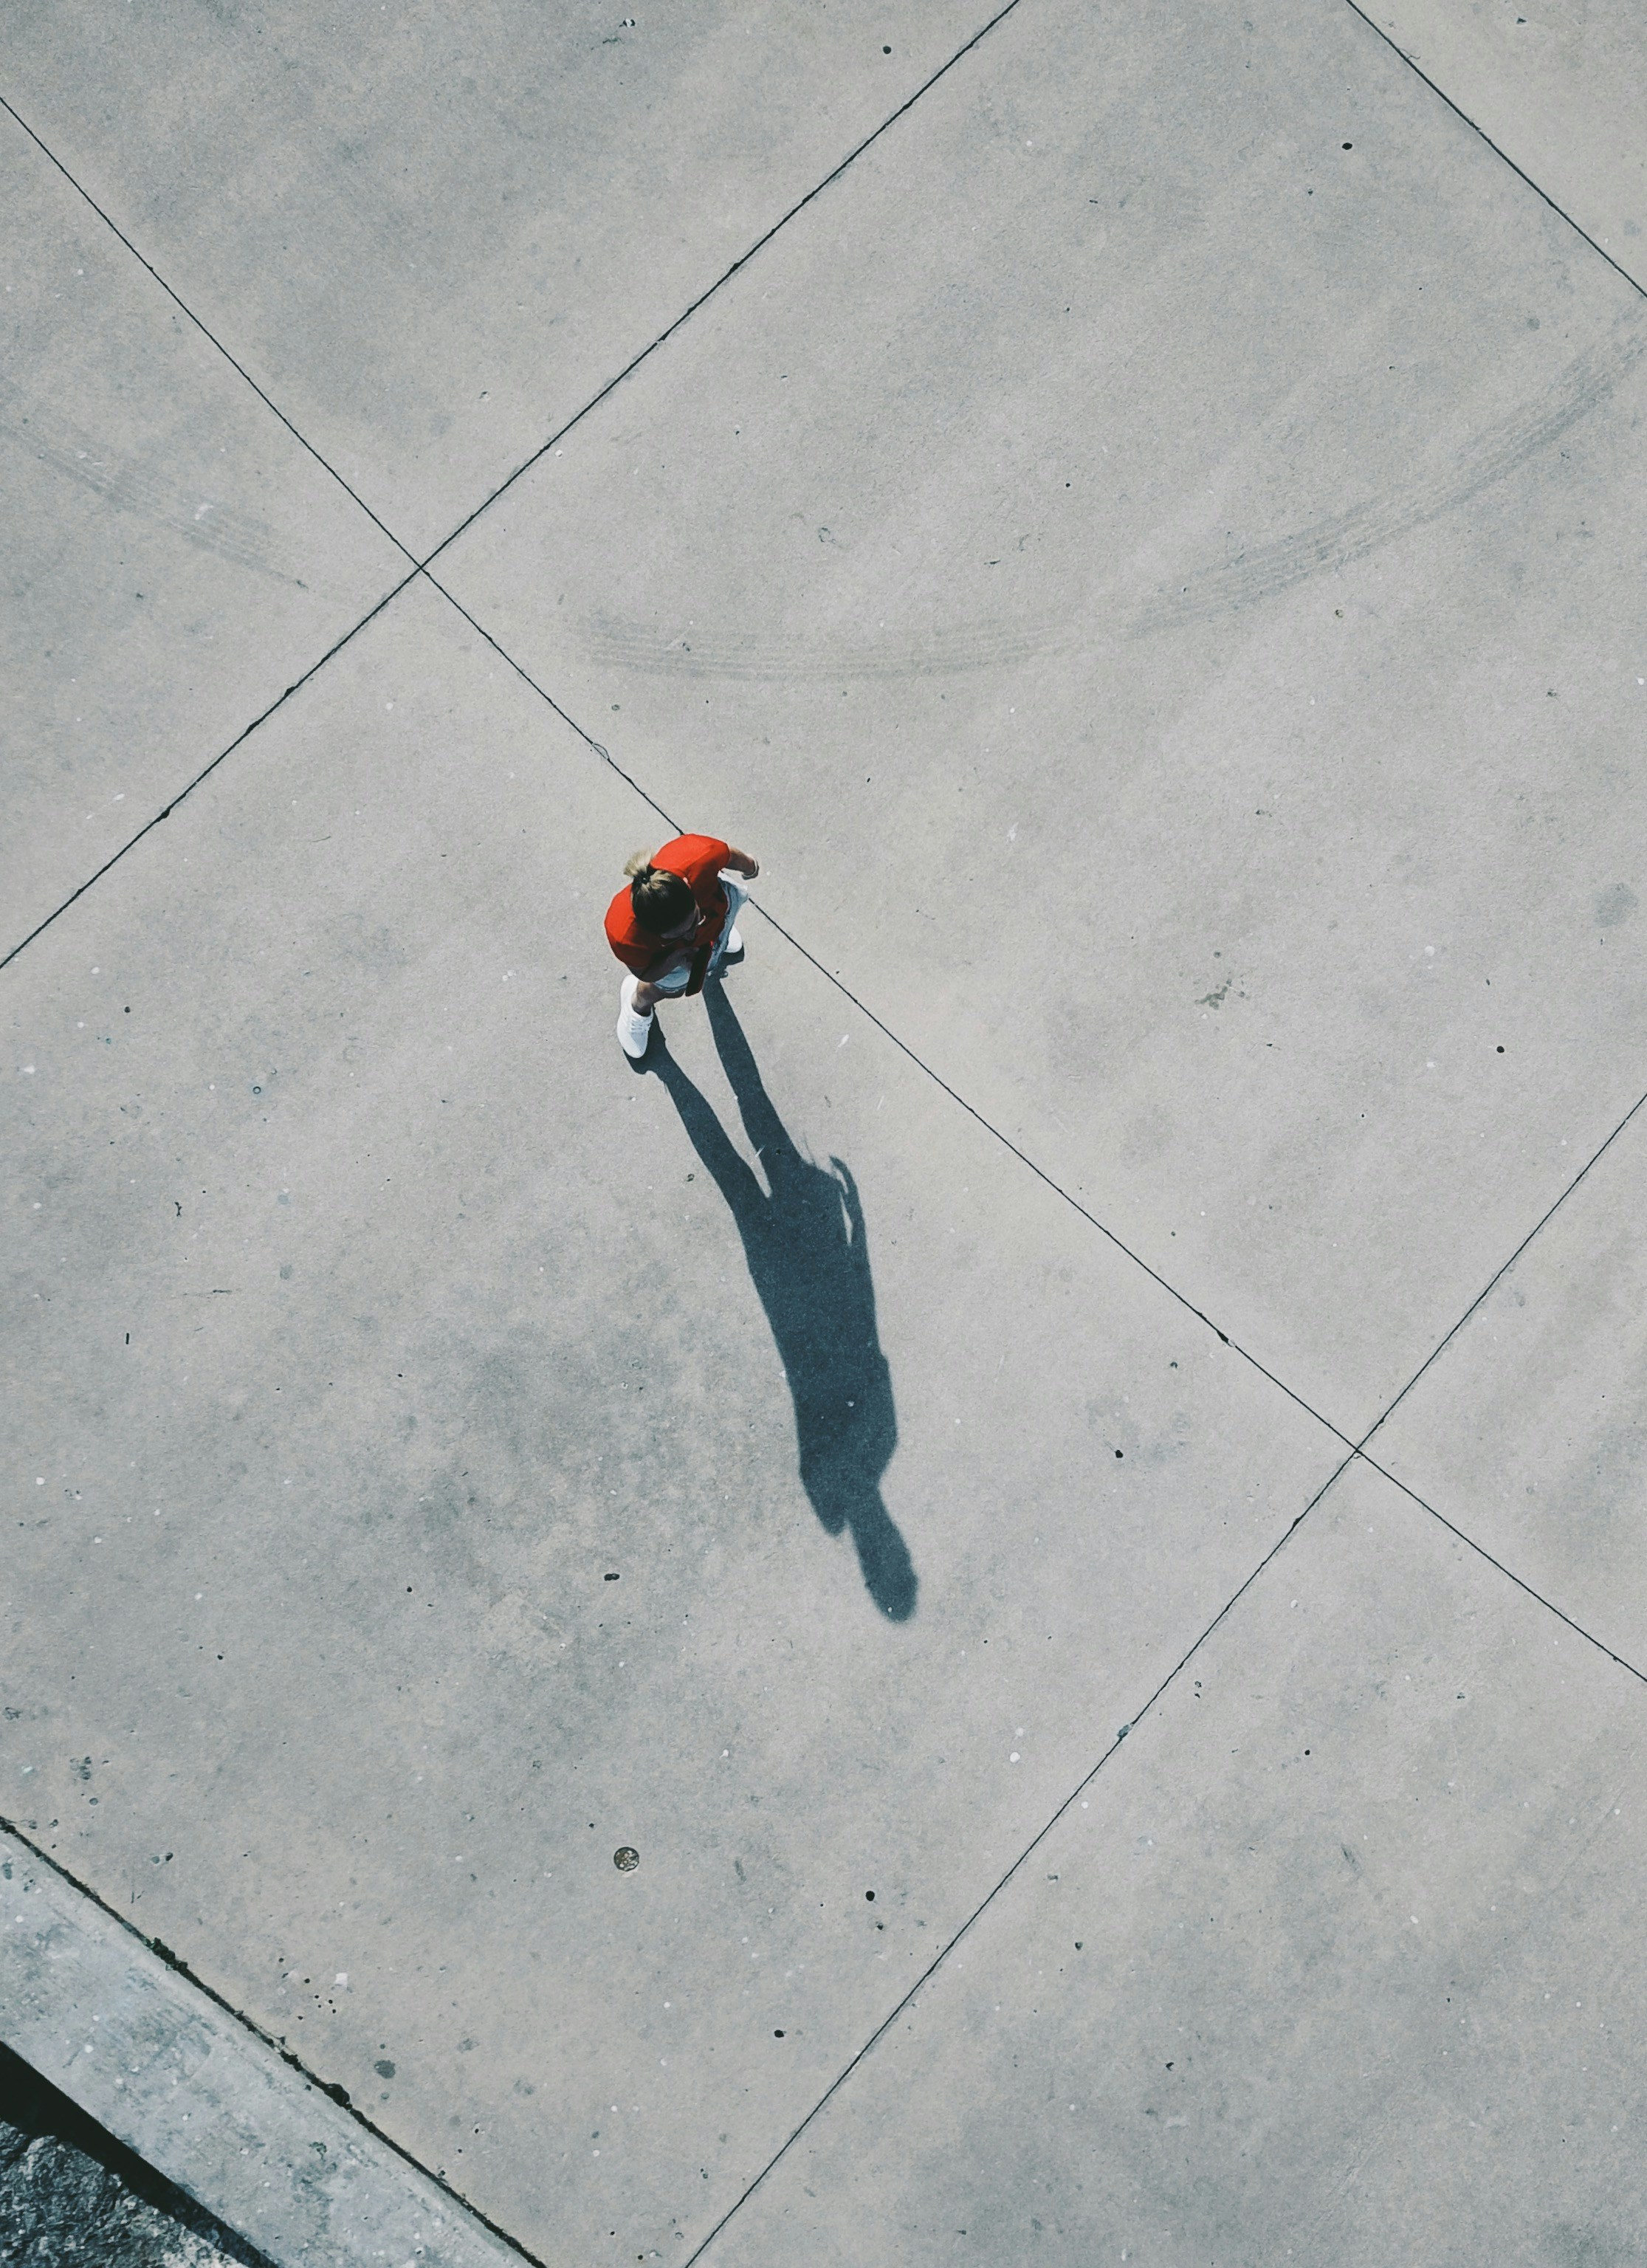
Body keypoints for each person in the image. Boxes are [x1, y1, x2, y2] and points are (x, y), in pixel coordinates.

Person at [605, 833, 760, 1059]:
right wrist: (675, 959)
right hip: (673, 958)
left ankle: (718, 938)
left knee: (718, 934)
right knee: (669, 988)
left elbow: (727, 855)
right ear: (650, 932)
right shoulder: (624, 934)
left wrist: (750, 866)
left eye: (695, 919)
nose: (693, 935)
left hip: (718, 914)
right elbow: (645, 972)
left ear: (689, 887)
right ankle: (637, 1005)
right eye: (678, 936)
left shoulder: (697, 855)